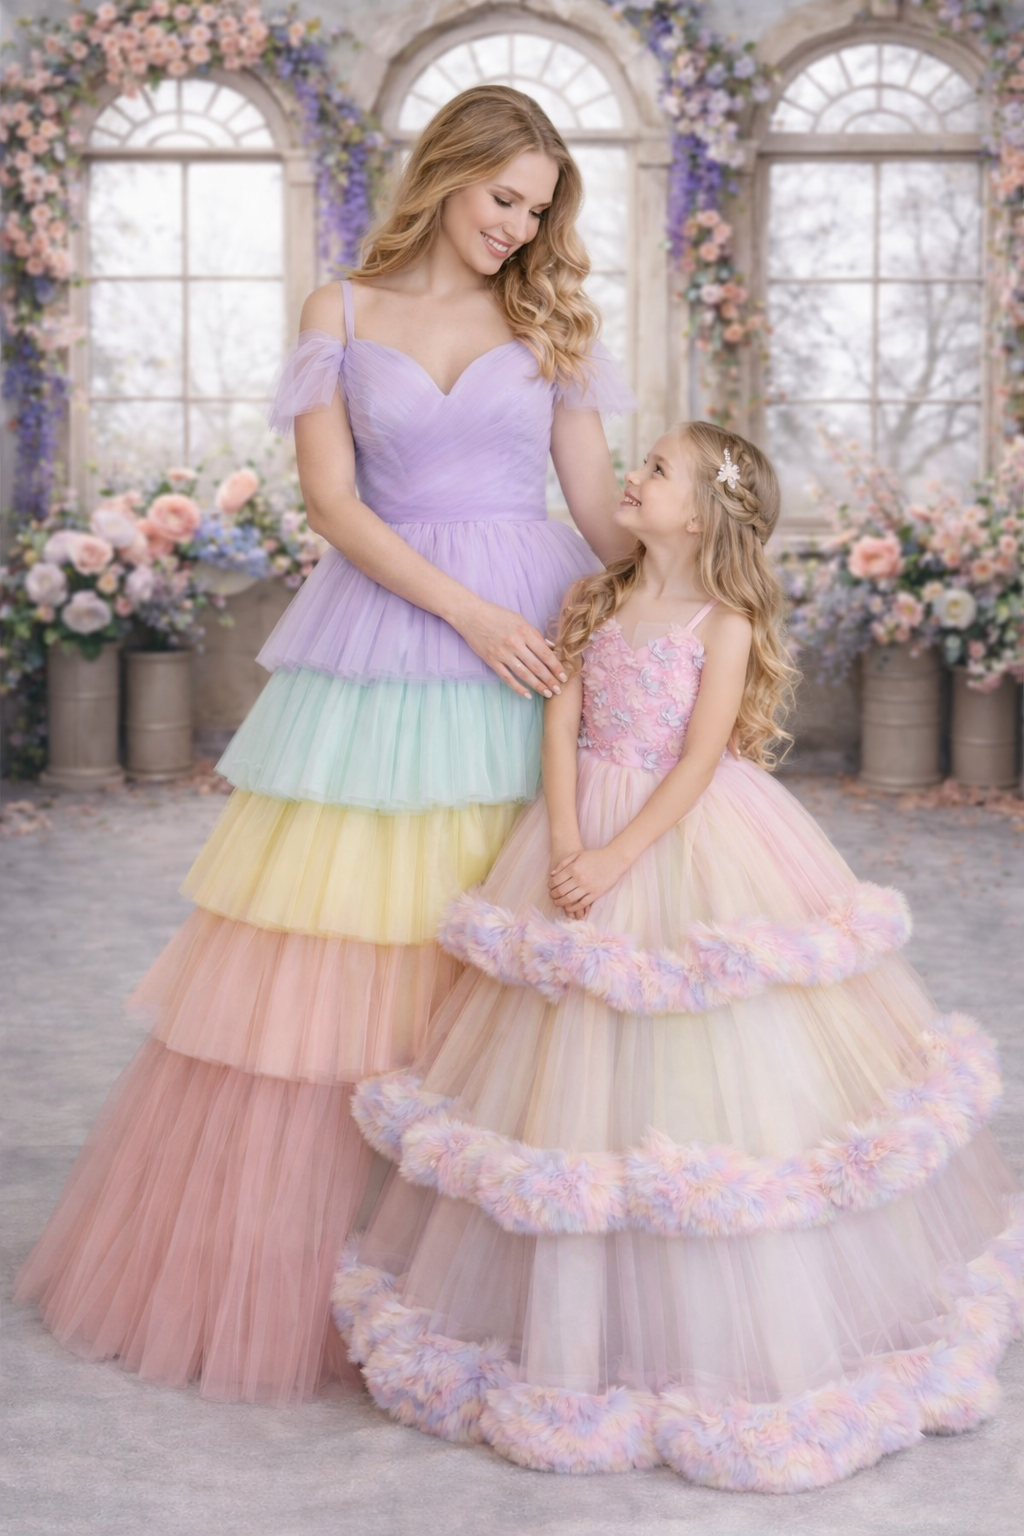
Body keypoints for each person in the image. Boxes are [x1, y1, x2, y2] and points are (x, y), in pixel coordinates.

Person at [14, 85, 635, 1405]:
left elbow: (594, 505)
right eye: (501, 198)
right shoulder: (339, 313)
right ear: (448, 173)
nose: (516, 229)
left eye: (538, 210)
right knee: (358, 941)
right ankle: (342, 1262)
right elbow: (336, 506)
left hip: (534, 640)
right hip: (401, 630)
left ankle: (496, 1275)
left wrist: (698, 571)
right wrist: (467, 610)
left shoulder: (553, 321)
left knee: (514, 929)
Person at [335, 421, 1023, 1491]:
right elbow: (557, 728)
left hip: (679, 834)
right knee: (570, 1062)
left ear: (699, 512)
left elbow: (703, 757)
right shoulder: (593, 598)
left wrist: (617, 854)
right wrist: (567, 844)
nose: (633, 476)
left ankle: (709, 1281)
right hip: (579, 831)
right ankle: (578, 1306)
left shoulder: (725, 618)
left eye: (655, 469)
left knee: (702, 1043)